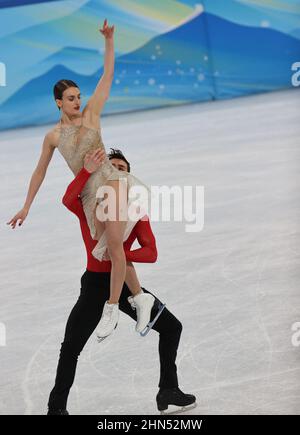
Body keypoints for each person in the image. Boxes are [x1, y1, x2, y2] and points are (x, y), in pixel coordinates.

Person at [6, 19, 154, 339]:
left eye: (78, 95)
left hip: (111, 183)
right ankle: (140, 298)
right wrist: (26, 206)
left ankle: (112, 308)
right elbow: (40, 171)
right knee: (110, 251)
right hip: (90, 195)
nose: (76, 101)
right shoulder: (54, 136)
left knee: (115, 246)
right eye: (70, 97)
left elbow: (108, 74)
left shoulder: (91, 116)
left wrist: (110, 41)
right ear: (58, 102)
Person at [47, 148, 196, 415]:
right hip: (95, 286)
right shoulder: (90, 206)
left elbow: (151, 252)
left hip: (126, 286)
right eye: (111, 167)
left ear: (129, 177)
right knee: (71, 347)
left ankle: (168, 390)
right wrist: (86, 171)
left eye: (122, 168)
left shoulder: (136, 212)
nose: (117, 171)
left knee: (172, 328)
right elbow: (68, 199)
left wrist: (119, 253)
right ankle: (56, 409)